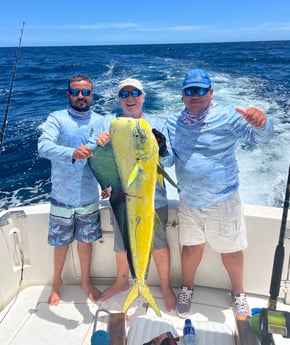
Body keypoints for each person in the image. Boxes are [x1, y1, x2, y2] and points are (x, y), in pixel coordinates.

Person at [160, 69, 274, 318]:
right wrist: (160, 150)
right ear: (182, 95)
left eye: (201, 90)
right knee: (190, 249)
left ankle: (239, 292)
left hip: (224, 199)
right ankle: (187, 288)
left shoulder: (228, 116)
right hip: (189, 199)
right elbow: (168, 162)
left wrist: (262, 124)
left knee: (231, 250)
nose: (195, 95)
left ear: (211, 93)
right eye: (189, 90)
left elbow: (260, 138)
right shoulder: (172, 122)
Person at [96, 78, 176, 311]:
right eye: (124, 94)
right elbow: (98, 156)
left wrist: (162, 150)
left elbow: (169, 160)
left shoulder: (158, 122)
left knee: (158, 243)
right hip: (122, 197)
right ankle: (122, 281)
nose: (130, 98)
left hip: (153, 198)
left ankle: (165, 286)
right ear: (119, 99)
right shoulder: (109, 124)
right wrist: (99, 143)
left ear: (143, 96)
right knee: (122, 244)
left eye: (134, 93)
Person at [38, 74, 103, 306]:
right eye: (75, 92)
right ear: (68, 94)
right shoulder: (56, 118)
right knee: (61, 243)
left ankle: (85, 282)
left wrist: (107, 183)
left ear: (92, 95)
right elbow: (44, 146)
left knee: (86, 242)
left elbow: (104, 158)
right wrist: (72, 153)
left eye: (85, 92)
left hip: (89, 196)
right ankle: (57, 282)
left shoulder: (101, 120)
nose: (81, 96)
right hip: (62, 196)